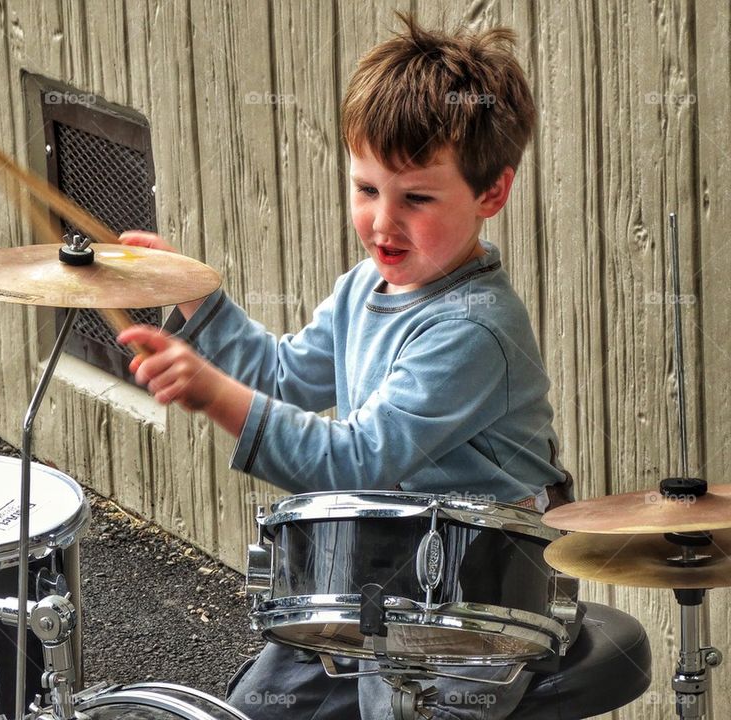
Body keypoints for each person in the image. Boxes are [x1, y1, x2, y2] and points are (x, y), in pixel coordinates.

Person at [117, 12, 573, 720]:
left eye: (416, 198)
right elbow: (283, 376)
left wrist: (213, 395)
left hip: (470, 599)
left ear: (492, 193)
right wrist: (197, 302)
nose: (383, 223)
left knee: (394, 708)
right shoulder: (366, 288)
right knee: (258, 708)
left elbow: (359, 461)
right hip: (373, 572)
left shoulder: (475, 329)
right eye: (367, 190)